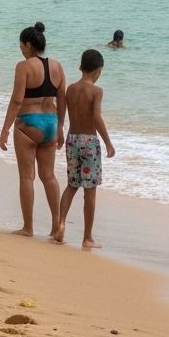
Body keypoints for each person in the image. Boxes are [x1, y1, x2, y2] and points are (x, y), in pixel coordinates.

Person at [0, 22, 66, 238]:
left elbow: (17, 99)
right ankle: (57, 225)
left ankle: (28, 227)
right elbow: (63, 100)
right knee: (49, 176)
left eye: (21, 45)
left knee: (27, 177)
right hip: (51, 123)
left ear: (28, 45)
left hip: (29, 123)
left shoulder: (23, 66)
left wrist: (6, 128)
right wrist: (61, 127)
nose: (20, 48)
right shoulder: (57, 66)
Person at [54, 49, 115, 248]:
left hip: (72, 139)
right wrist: (107, 142)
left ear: (81, 67)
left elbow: (61, 111)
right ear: (97, 71)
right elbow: (96, 117)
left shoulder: (71, 89)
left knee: (72, 185)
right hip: (89, 142)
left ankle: (60, 224)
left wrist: (60, 131)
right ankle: (87, 237)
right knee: (90, 191)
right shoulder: (96, 91)